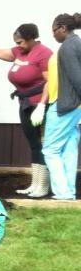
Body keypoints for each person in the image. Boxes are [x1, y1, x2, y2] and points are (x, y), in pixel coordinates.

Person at [0, 24, 54, 196]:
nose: (18, 45)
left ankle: (43, 185)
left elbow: (50, 81)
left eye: (20, 42)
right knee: (33, 144)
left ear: (32, 38)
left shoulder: (43, 53)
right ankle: (35, 183)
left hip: (39, 104)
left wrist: (42, 105)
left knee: (42, 144)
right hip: (25, 103)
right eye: (16, 42)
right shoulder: (20, 52)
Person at [44, 12, 81, 200]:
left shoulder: (67, 47)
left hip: (66, 105)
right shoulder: (77, 43)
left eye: (54, 30)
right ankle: (69, 192)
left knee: (50, 149)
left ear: (63, 28)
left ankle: (63, 192)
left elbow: (77, 78)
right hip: (76, 107)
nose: (53, 35)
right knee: (69, 147)